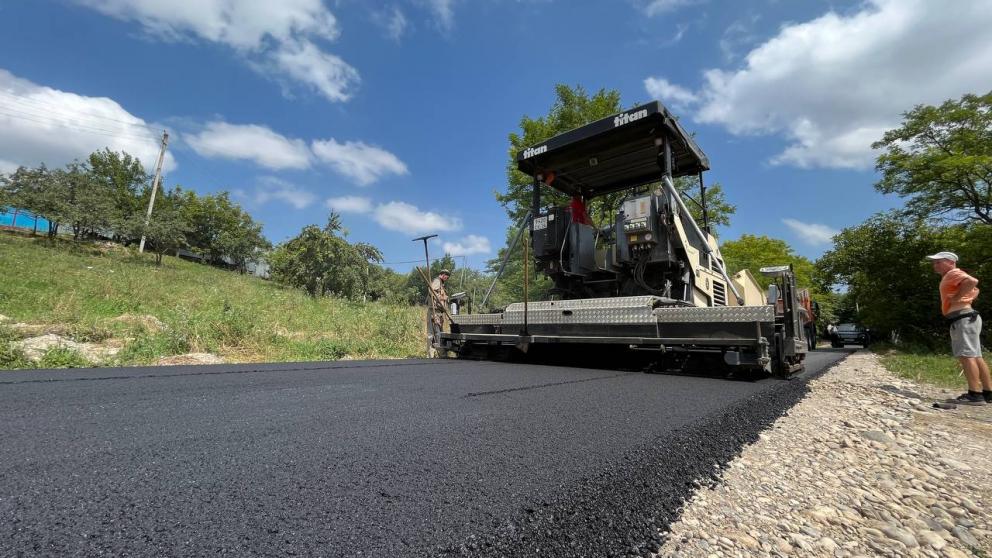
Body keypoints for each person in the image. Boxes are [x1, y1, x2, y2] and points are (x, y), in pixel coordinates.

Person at [927, 251, 991, 405]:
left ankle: (975, 394)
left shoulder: (952, 273)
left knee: (966, 355)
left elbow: (972, 282)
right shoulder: (953, 275)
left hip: (962, 318)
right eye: (934, 262)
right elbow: (976, 291)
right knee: (975, 355)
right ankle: (988, 393)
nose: (935, 265)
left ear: (950, 262)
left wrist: (956, 298)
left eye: (938, 262)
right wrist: (963, 296)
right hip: (968, 317)